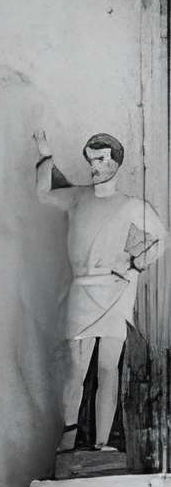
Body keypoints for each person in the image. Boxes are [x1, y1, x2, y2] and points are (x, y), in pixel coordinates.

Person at [34, 129, 165, 452]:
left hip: (116, 290)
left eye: (101, 160)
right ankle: (67, 441)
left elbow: (161, 238)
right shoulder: (78, 197)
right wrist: (44, 154)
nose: (95, 167)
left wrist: (135, 264)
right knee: (75, 370)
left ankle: (102, 443)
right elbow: (43, 194)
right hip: (83, 288)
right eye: (92, 160)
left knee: (109, 369)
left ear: (116, 163)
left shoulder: (131, 205)